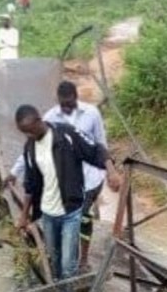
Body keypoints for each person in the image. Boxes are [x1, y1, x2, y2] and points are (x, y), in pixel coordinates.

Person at [14, 104, 120, 292]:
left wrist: (111, 172)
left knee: (68, 264)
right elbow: (30, 184)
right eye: (25, 132)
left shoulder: (66, 134)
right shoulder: (30, 147)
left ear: (38, 120)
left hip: (71, 210)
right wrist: (24, 215)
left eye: (31, 129)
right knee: (55, 260)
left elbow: (96, 150)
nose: (29, 135)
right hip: (48, 213)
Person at [6, 81, 108, 272]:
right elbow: (32, 148)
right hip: (65, 179)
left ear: (76, 97)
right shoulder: (50, 117)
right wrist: (14, 171)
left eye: (70, 103)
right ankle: (65, 265)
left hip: (90, 177)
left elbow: (100, 143)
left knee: (84, 218)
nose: (67, 107)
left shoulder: (92, 113)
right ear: (58, 100)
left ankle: (82, 261)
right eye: (63, 103)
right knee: (68, 221)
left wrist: (109, 170)